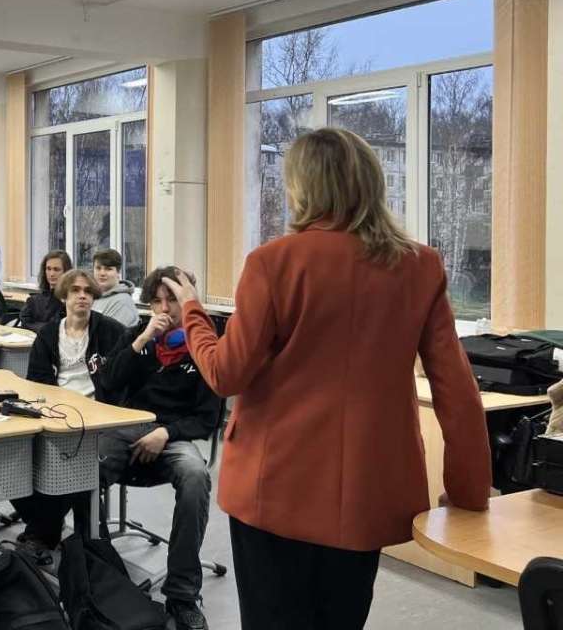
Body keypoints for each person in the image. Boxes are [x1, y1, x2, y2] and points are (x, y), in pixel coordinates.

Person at [165, 127, 491, 630]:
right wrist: (469, 490)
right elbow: (458, 392)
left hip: (273, 490)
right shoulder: (419, 266)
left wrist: (192, 312)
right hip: (367, 493)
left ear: (303, 188)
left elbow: (225, 373)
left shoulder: (273, 262)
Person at [100, 266, 219, 630]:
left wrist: (166, 432)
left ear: (188, 301)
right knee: (86, 466)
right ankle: (100, 571)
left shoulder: (206, 347)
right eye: (157, 301)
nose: (165, 309)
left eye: (173, 300)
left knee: (196, 476)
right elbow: (107, 385)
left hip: (174, 437)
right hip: (126, 429)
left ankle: (182, 594)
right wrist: (140, 342)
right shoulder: (138, 336)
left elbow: (207, 419)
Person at [11, 269, 125, 561]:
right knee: (12, 459)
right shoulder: (49, 334)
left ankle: (50, 537)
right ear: (64, 296)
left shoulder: (110, 331)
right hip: (56, 417)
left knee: (76, 468)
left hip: (98, 420)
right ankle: (66, 538)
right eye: (75, 290)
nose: (82, 296)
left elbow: (121, 380)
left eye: (87, 291)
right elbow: (36, 381)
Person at [19, 250, 71, 331]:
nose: (51, 274)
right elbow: (25, 323)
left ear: (66, 272)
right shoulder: (33, 301)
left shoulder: (70, 301)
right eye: (48, 269)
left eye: (56, 269)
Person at [91, 248, 139, 327]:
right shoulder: (93, 297)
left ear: (118, 272)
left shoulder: (122, 302)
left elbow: (108, 333)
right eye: (98, 268)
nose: (102, 273)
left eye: (108, 269)